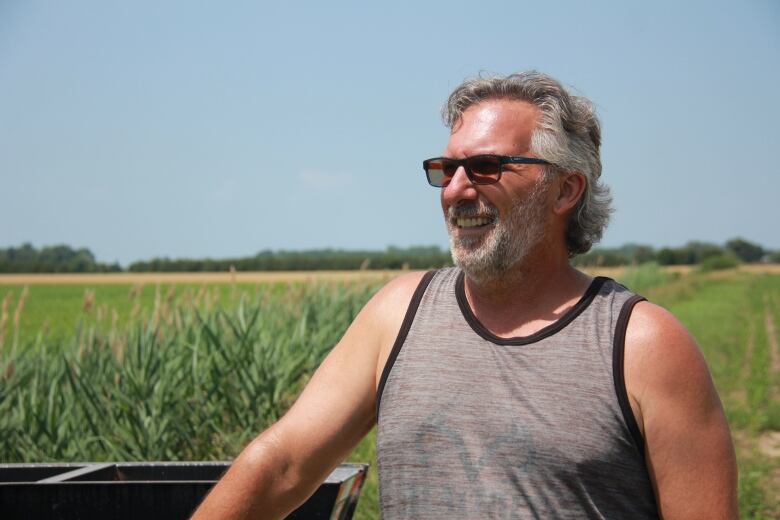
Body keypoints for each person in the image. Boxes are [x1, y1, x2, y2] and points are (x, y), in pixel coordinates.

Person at [193, 71, 738, 519]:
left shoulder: (642, 345)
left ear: (566, 190)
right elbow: (285, 462)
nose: (456, 189)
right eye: (446, 169)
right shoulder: (398, 314)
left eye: (485, 167)